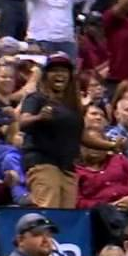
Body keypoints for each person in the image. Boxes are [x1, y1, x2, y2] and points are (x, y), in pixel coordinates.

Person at [19, 53, 83, 208]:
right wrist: (39, 117)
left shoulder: (72, 106)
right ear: (46, 75)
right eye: (54, 70)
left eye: (64, 71)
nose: (60, 74)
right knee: (48, 210)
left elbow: (82, 136)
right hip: (43, 162)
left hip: (67, 166)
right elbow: (22, 122)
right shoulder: (36, 98)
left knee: (68, 217)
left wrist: (111, 145)